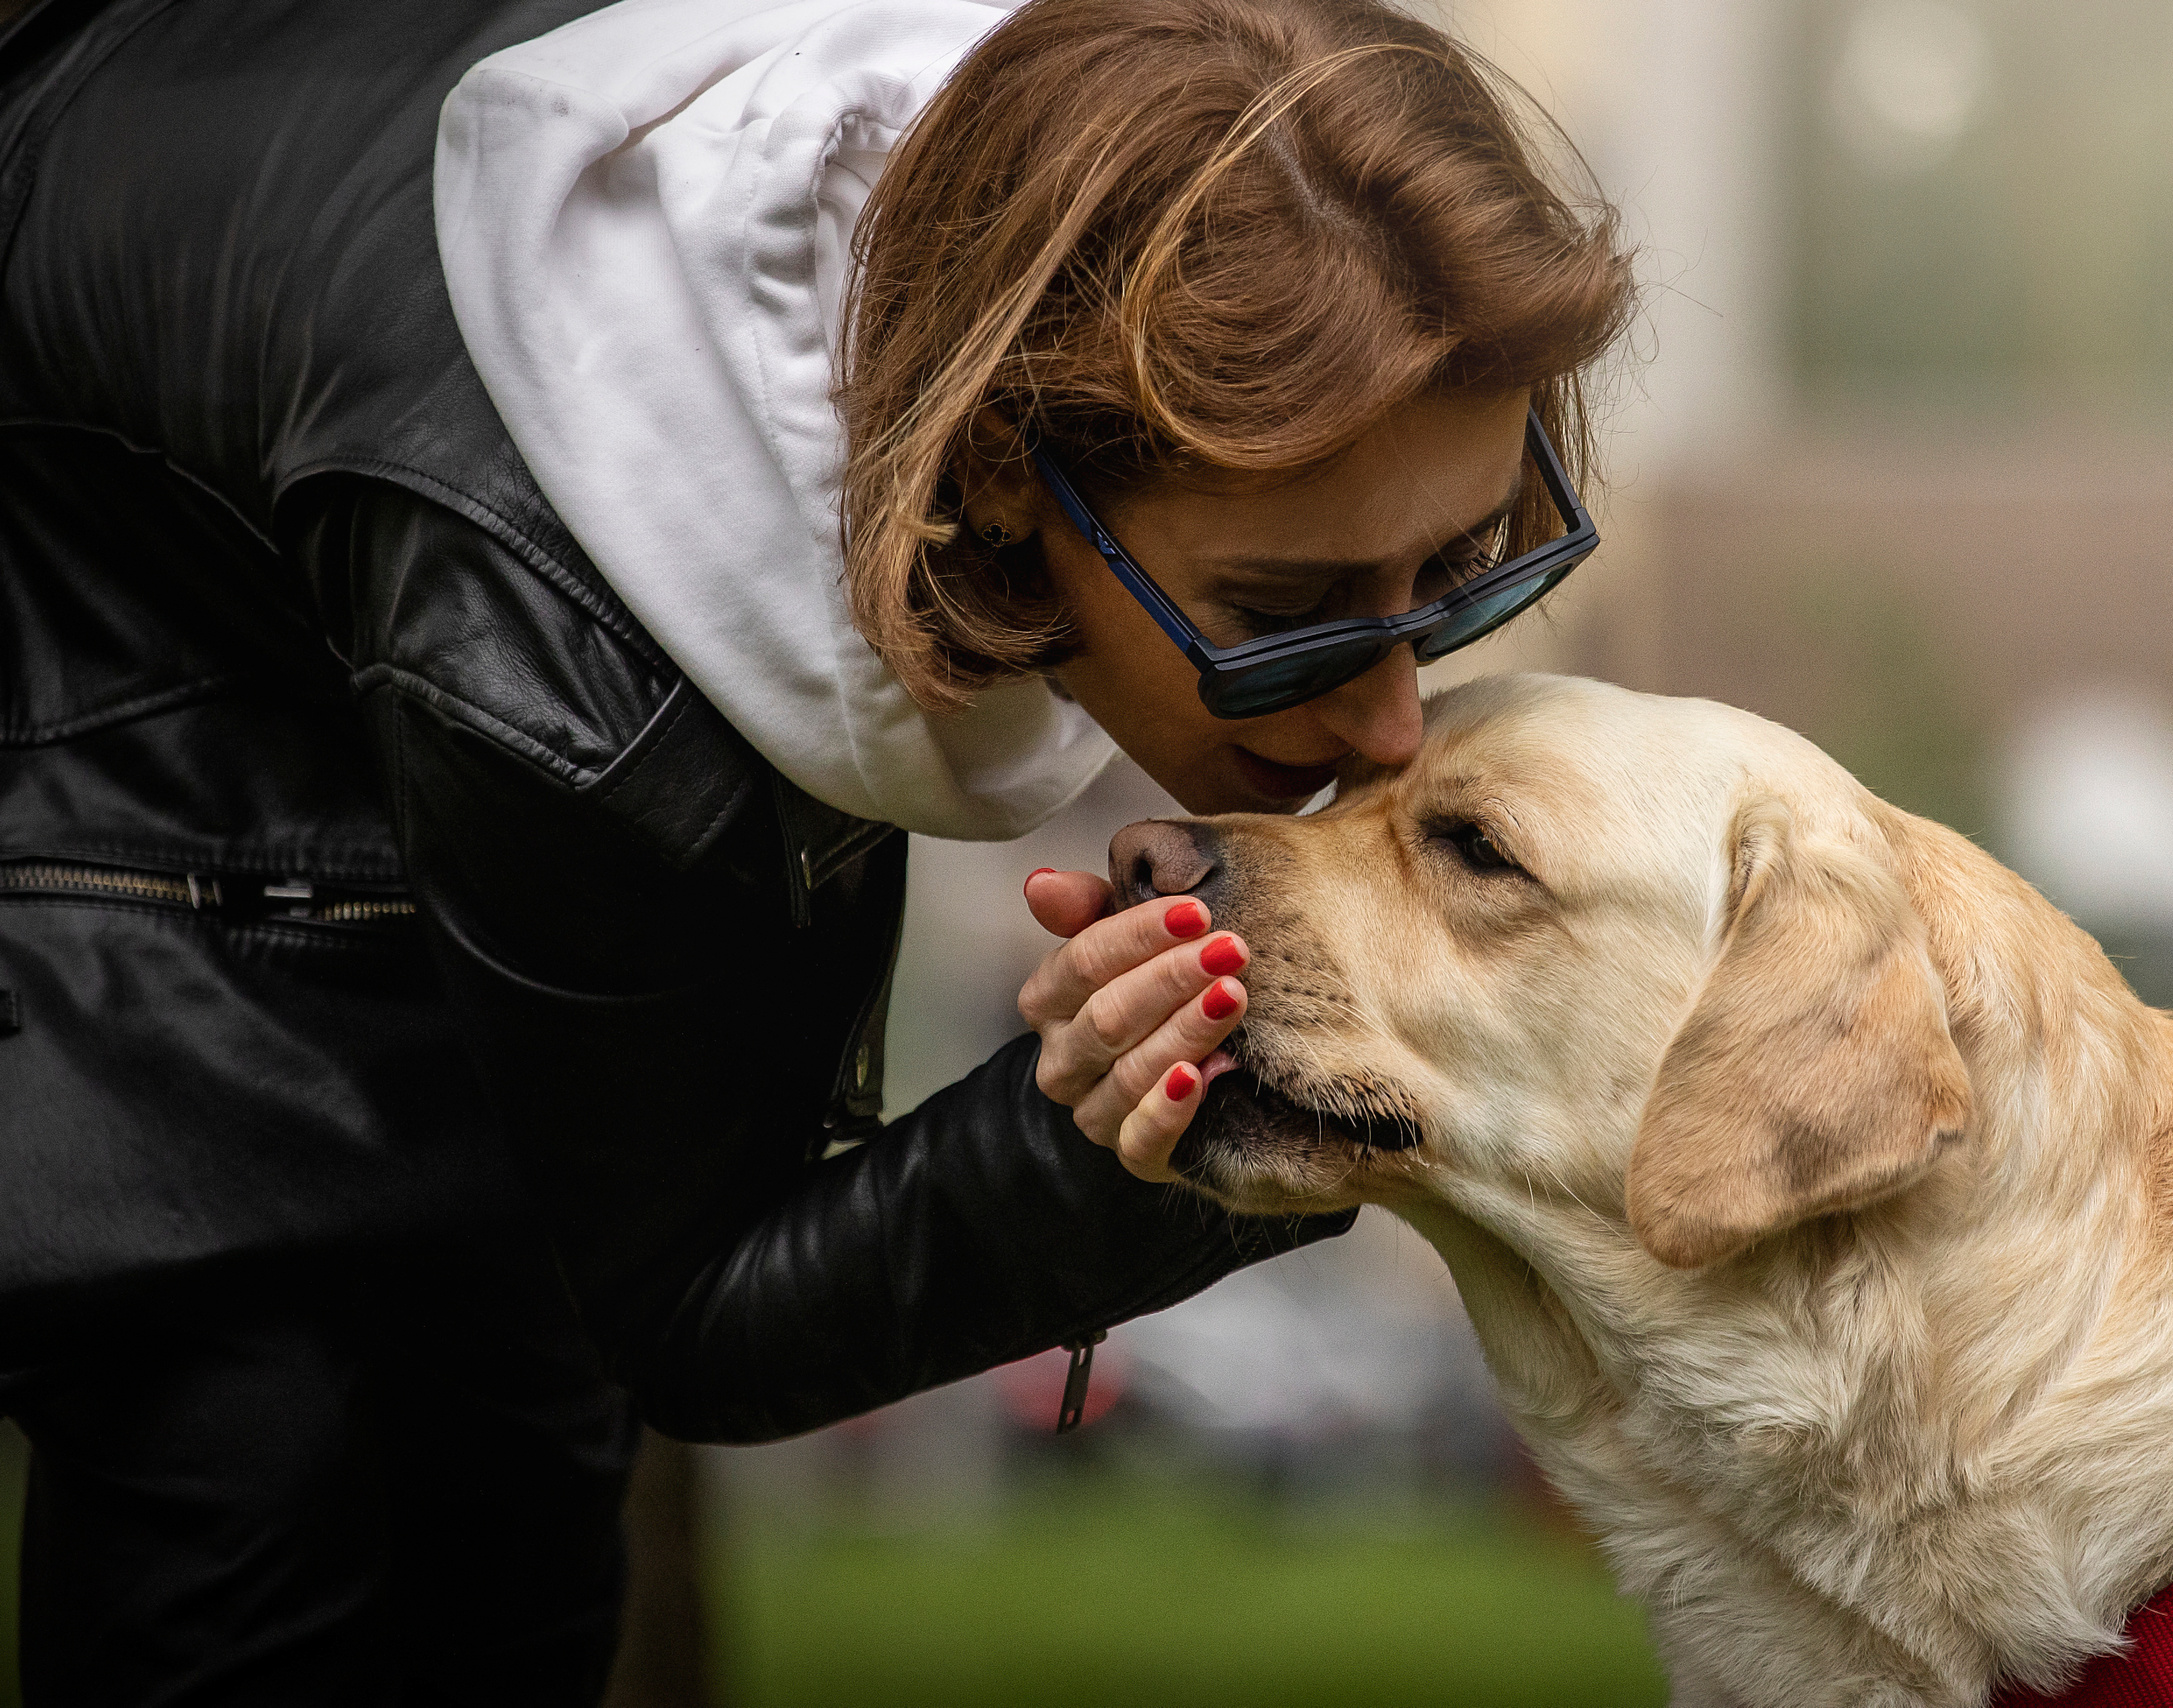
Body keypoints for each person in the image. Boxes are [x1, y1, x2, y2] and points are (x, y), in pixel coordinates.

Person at [0, 0, 1633, 1699]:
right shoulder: (578, 690)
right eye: (1283, 613)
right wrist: (1135, 1135)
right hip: (134, 707)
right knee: (309, 1422)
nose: (1389, 720)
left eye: (1460, 568)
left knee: (506, 1501)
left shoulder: (1114, 187)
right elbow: (696, 1315)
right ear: (996, 483)